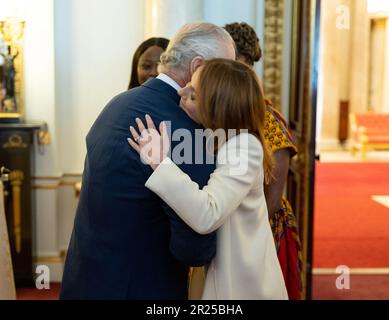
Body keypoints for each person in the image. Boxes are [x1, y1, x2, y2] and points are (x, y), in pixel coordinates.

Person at [60, 22, 236, 300]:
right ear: (198, 66)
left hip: (85, 278)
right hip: (142, 286)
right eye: (223, 70)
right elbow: (193, 249)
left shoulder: (118, 103)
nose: (228, 82)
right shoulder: (185, 128)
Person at [128, 59, 288, 300]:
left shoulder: (244, 147)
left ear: (216, 106)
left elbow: (208, 214)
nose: (181, 91)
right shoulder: (219, 138)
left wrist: (159, 162)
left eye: (193, 94)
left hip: (242, 286)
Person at [225, 22, 303, 300]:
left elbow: (272, 199)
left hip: (260, 229)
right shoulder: (217, 113)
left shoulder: (267, 117)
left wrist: (239, 233)